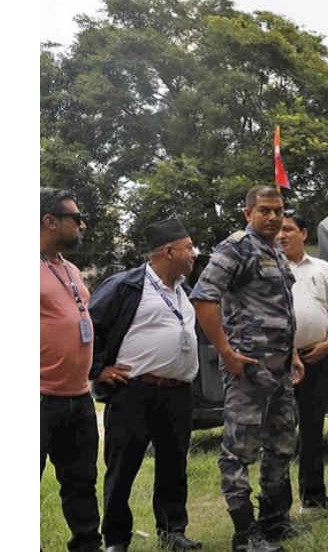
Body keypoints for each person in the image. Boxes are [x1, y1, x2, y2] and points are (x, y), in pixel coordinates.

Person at [191, 185, 305, 552]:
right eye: (264, 211)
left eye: (278, 211)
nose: (273, 217)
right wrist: (226, 352)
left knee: (282, 444)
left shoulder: (277, 252)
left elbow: (283, 310)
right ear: (247, 213)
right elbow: (203, 297)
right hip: (248, 369)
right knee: (239, 451)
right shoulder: (236, 248)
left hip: (280, 369)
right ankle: (245, 534)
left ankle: (274, 520)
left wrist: (294, 353)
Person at [88, 219, 202, 552]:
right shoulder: (125, 285)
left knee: (174, 465)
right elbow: (88, 325)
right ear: (168, 251)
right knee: (122, 467)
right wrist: (97, 369)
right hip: (134, 392)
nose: (194, 254)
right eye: (188, 247)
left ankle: (172, 530)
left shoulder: (183, 291)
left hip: (177, 393)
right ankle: (116, 539)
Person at [40, 187, 102, 552]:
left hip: (78, 397)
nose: (82, 225)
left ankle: (87, 545)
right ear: (49, 221)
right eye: (76, 218)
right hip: (38, 396)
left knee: (82, 482)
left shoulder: (71, 268)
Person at [277, 212, 328, 513]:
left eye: (288, 229)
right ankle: (278, 505)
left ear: (304, 234)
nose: (281, 235)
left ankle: (313, 496)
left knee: (313, 427)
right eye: (278, 231)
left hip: (316, 357)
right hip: (280, 361)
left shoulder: (322, 268)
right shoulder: (271, 268)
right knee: (279, 432)